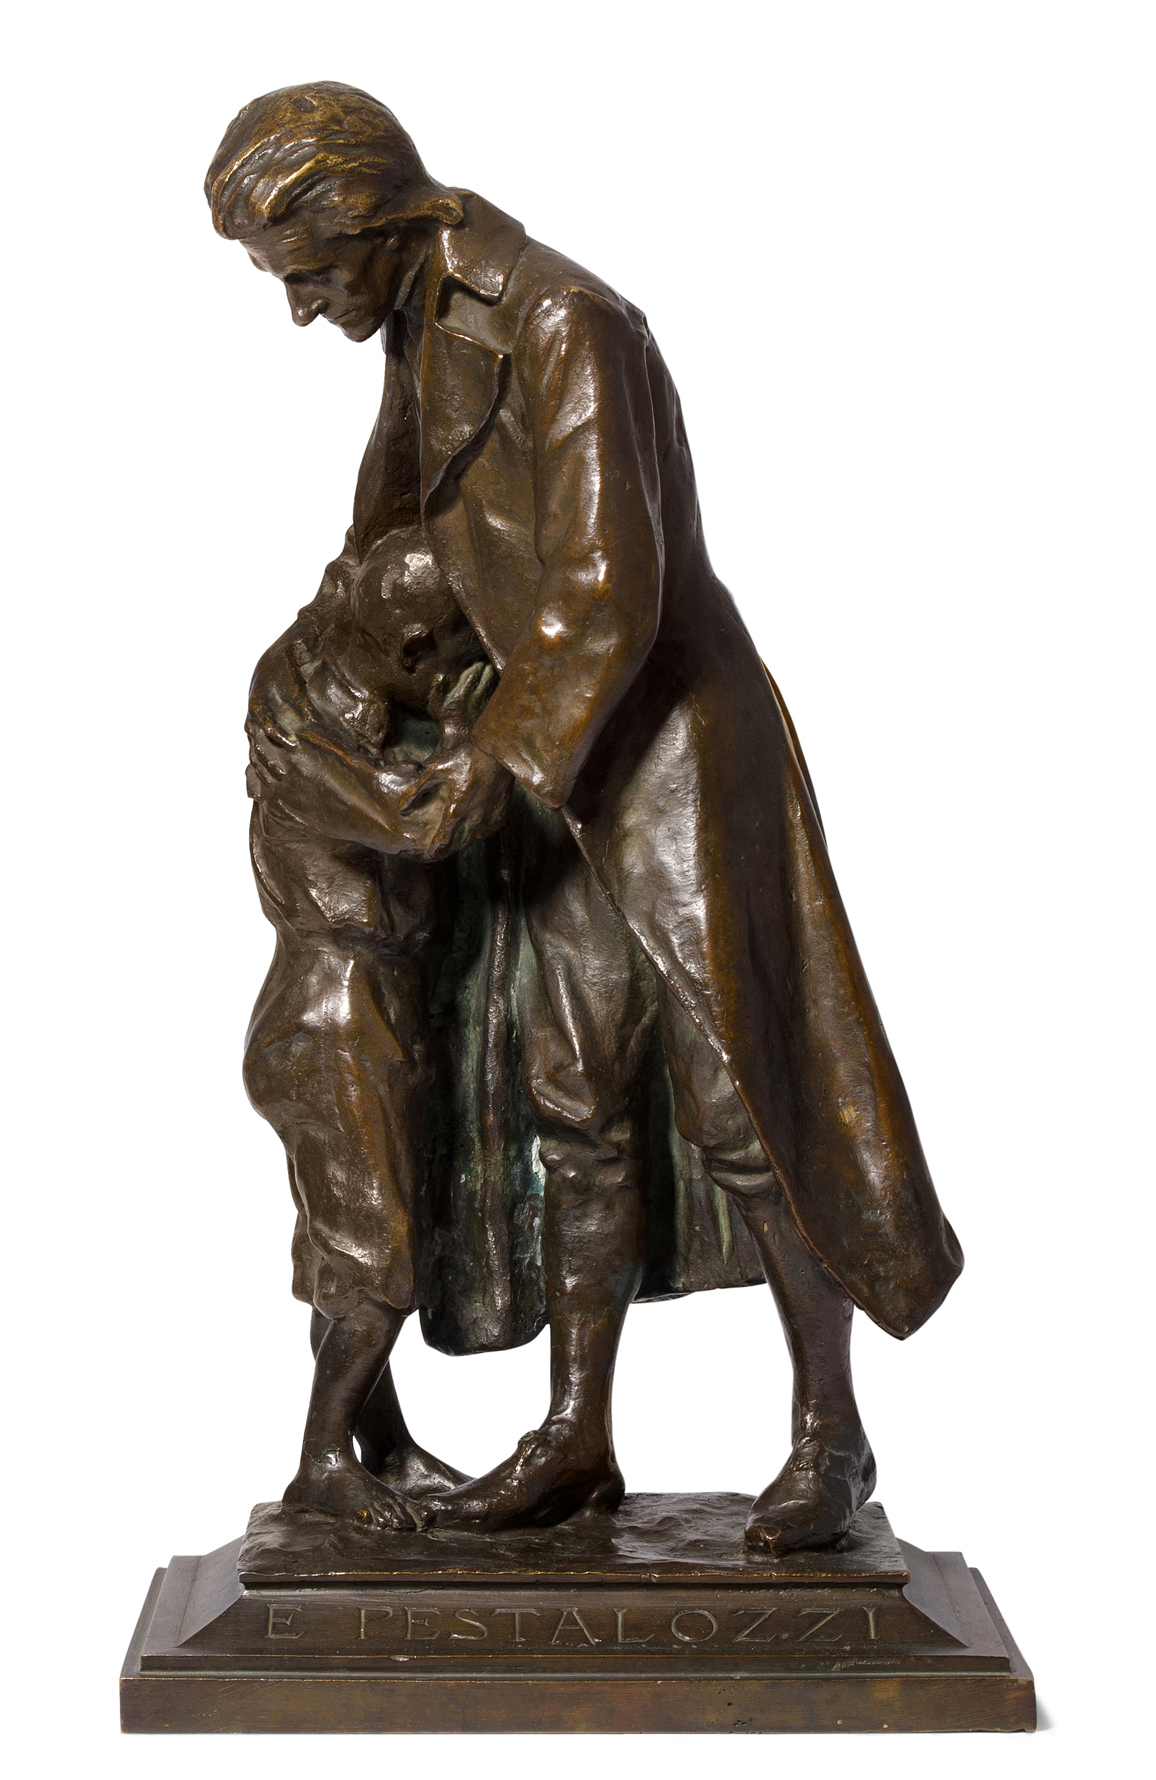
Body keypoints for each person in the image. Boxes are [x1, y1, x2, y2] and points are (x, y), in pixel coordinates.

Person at [207, 83, 963, 1554]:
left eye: (307, 271)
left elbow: (614, 587)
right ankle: (577, 1433)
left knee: (745, 1101)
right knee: (574, 1101)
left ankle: (831, 1433)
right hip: (546, 765)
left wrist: (496, 762)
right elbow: (406, 534)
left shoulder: (565, 320)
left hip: (661, 753)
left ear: (379, 219)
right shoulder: (422, 322)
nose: (300, 308)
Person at [244, 521, 506, 1531]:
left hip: (374, 1004)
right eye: (449, 652)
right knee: (378, 1258)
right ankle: (322, 1459)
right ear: (411, 649)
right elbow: (424, 823)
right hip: (333, 1013)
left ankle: (383, 1446)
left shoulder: (338, 685)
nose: (453, 672)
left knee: (358, 1246)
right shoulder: (304, 742)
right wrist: (476, 739)